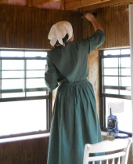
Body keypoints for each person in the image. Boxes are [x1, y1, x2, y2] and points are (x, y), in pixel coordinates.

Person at [45, 13, 105, 164]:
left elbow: (51, 84)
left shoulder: (52, 55)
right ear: (71, 35)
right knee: (88, 128)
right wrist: (92, 19)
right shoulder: (82, 46)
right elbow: (101, 36)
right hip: (85, 93)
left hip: (65, 96)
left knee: (67, 133)